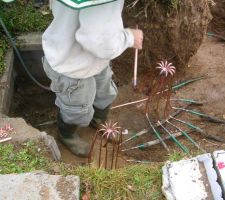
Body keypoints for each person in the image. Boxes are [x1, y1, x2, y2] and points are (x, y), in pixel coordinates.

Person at [42, 0, 143, 157]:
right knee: (76, 108)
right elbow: (98, 41)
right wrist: (129, 38)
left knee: (104, 93)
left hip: (92, 59)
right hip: (72, 66)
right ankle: (67, 135)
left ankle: (98, 120)